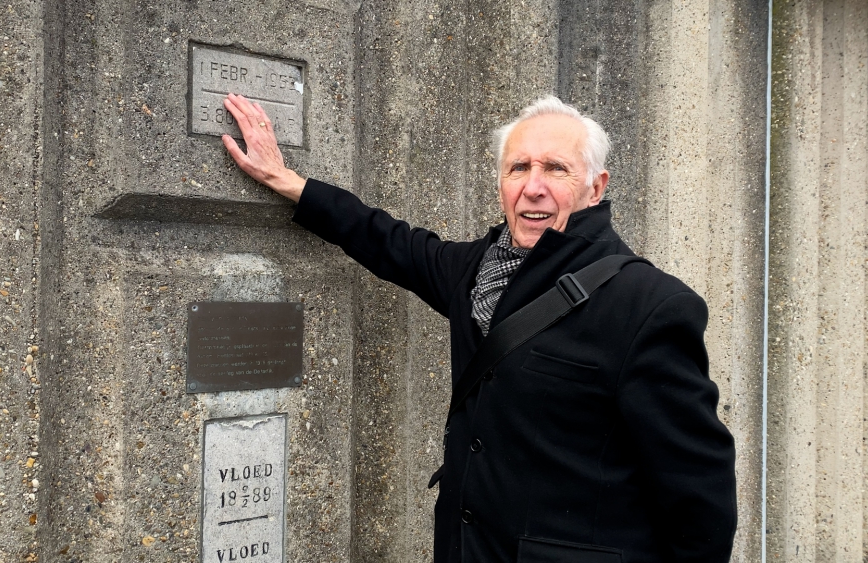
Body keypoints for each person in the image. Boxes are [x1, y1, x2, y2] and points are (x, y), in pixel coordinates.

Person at [220, 93, 737, 562]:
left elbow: (698, 497)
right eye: (518, 168)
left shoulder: (648, 304)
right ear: (501, 185)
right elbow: (387, 241)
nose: (533, 187)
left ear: (594, 188)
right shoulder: (475, 272)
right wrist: (287, 182)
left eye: (555, 169)